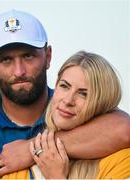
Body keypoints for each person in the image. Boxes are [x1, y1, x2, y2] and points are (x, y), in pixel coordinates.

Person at [0, 9, 130, 179]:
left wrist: (31, 149)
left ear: (48, 56)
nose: (19, 71)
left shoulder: (74, 114)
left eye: (28, 56)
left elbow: (125, 129)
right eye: (6, 59)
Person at [29, 51, 130, 179]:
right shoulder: (23, 165)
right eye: (64, 86)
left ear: (102, 104)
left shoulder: (123, 162)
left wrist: (56, 177)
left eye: (83, 94)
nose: (68, 100)